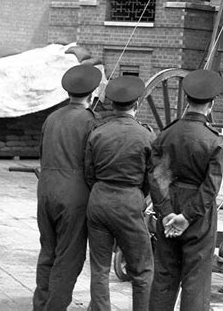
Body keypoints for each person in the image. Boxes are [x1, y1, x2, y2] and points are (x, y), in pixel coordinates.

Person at [149, 68, 223, 311]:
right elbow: (211, 186)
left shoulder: (166, 134)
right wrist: (186, 217)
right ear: (210, 105)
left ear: (188, 101)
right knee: (195, 279)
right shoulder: (213, 140)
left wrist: (168, 212)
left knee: (164, 275)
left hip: (169, 205)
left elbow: (157, 177)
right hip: (198, 215)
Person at [33, 63, 102, 311]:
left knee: (47, 252)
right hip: (74, 194)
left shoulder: (52, 118)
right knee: (69, 257)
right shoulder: (91, 121)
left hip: (46, 190)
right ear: (92, 94)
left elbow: (42, 153)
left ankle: (40, 305)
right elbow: (93, 164)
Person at [84, 75, 154, 311]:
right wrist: (137, 195)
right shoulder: (146, 136)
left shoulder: (97, 132)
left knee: (100, 269)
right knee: (142, 270)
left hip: (99, 200)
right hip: (129, 202)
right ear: (137, 104)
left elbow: (89, 173)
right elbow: (151, 179)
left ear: (112, 105)